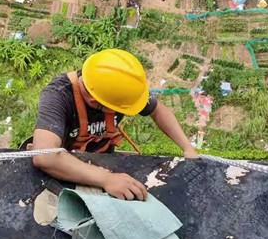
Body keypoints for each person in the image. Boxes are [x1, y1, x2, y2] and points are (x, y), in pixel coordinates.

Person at [30, 49, 198, 201]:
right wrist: (107, 179)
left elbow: (158, 111)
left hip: (105, 159)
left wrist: (187, 147)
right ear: (93, 100)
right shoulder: (58, 96)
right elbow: (45, 156)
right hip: (68, 167)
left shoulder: (118, 87)